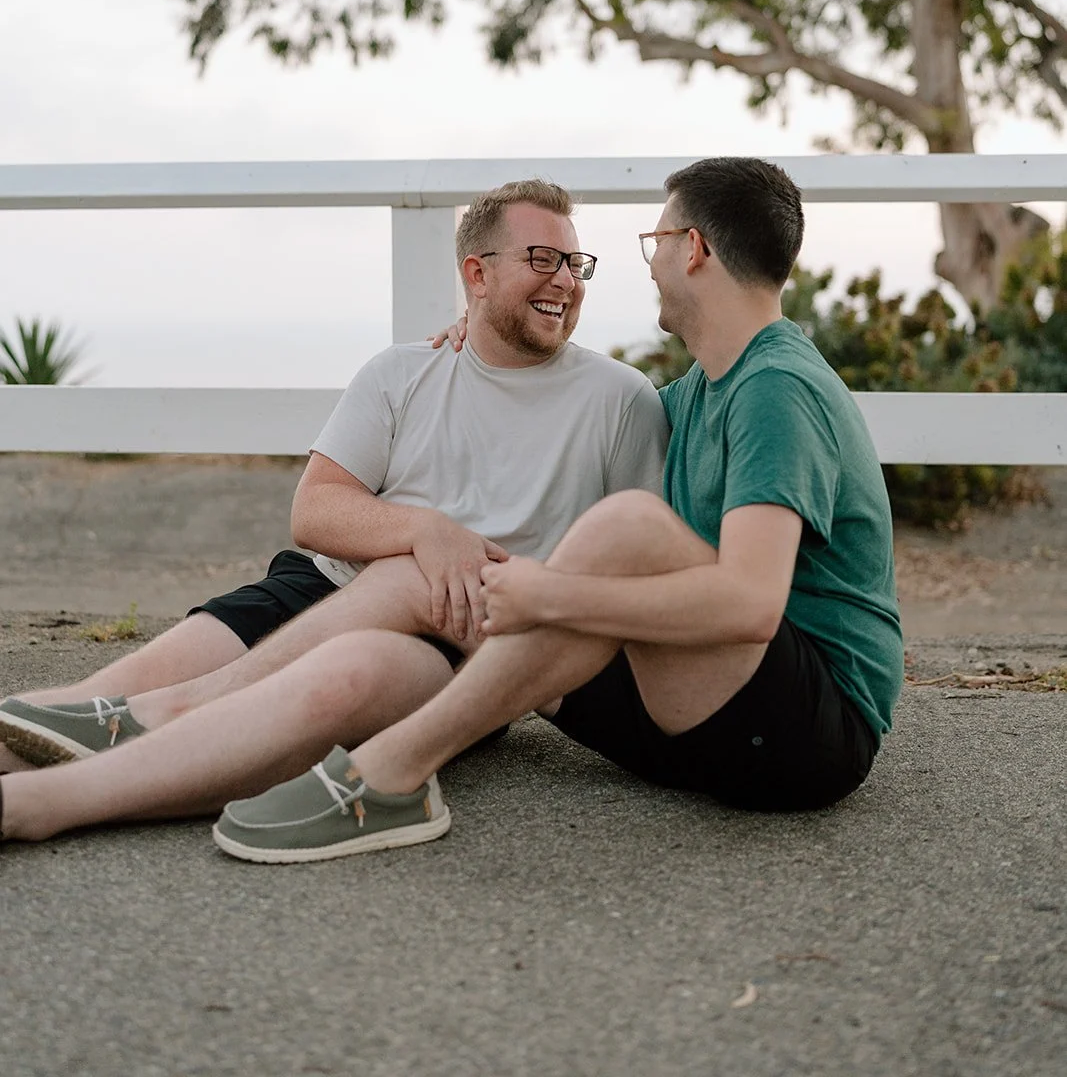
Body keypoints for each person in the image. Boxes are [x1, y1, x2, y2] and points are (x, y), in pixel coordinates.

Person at [0, 158, 902, 855]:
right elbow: (331, 507)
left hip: (803, 727)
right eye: (542, 260)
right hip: (699, 698)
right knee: (429, 572)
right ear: (475, 274)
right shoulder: (700, 392)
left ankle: (380, 771)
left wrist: (540, 595)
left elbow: (746, 604)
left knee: (603, 536)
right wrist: (475, 342)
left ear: (693, 250)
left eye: (651, 243)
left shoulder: (768, 388)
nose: (631, 267)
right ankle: (200, 745)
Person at [0, 179, 666, 779]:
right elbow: (314, 512)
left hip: (451, 638)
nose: (565, 281)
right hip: (322, 586)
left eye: (574, 263)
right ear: (477, 273)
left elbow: (634, 567)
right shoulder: (401, 372)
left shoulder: (619, 399)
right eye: (542, 259)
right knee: (89, 704)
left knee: (218, 733)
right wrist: (425, 530)